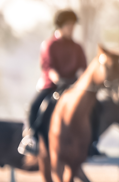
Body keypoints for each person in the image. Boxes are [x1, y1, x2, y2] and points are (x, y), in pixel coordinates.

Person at [18, 9, 88, 157]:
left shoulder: (77, 47)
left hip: (73, 87)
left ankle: (92, 142)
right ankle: (30, 139)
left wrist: (80, 81)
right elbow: (49, 68)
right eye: (69, 26)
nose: (72, 29)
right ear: (60, 26)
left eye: (73, 26)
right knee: (34, 106)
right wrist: (59, 80)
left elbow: (83, 68)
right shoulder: (49, 45)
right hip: (52, 86)